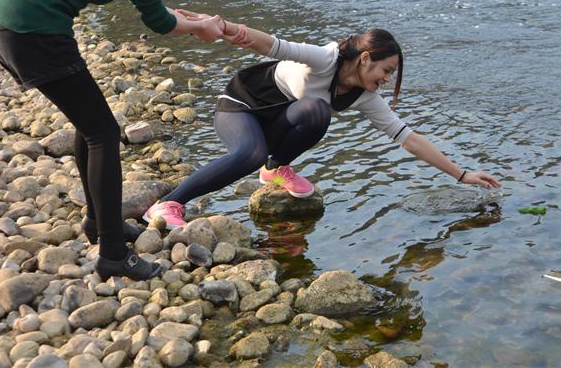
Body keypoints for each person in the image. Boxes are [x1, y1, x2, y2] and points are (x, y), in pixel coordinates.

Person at [0, 0, 245, 280]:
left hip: (11, 27)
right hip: (34, 33)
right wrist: (200, 27)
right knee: (103, 133)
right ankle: (112, 253)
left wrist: (193, 20)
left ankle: (98, 224)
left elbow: (152, 6)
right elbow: (159, 22)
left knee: (89, 127)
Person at [144, 12, 501, 229]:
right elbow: (266, 43)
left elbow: (408, 138)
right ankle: (170, 203)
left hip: (278, 121)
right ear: (364, 59)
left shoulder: (364, 95)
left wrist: (463, 174)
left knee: (316, 113)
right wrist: (207, 25)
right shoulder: (323, 59)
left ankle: (275, 167)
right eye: (386, 70)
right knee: (271, 138)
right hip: (241, 106)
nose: (387, 79)